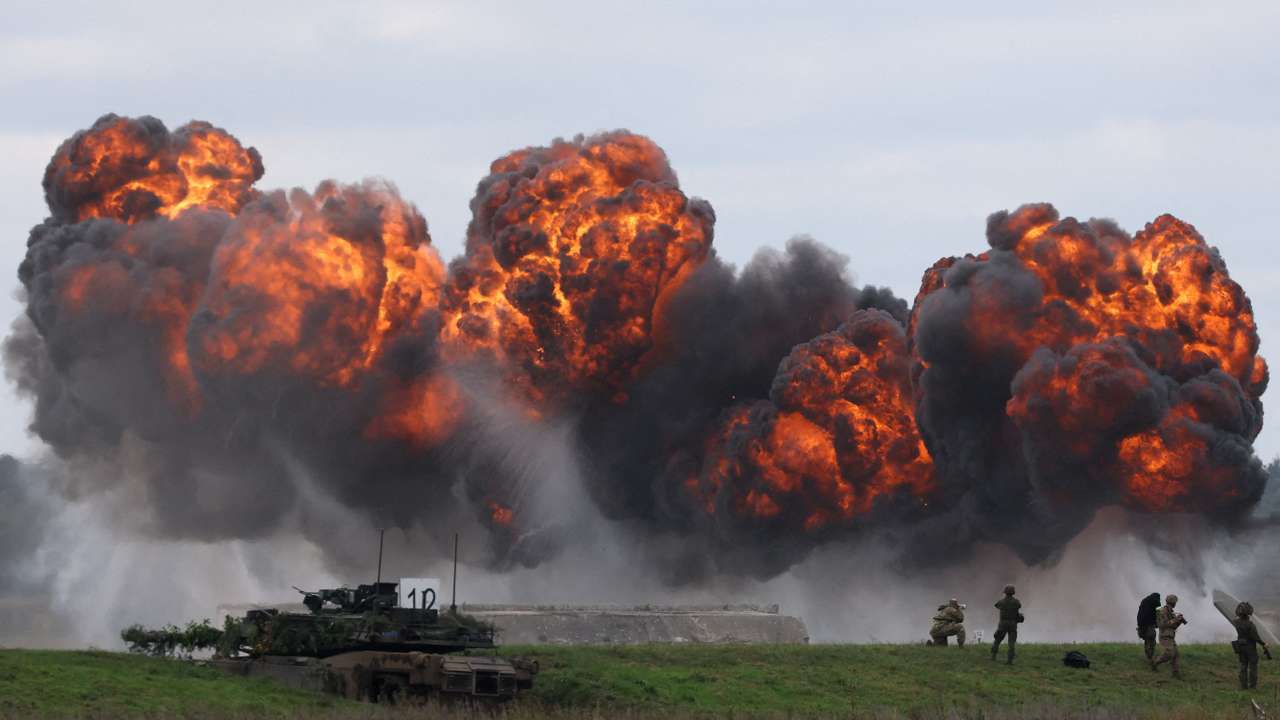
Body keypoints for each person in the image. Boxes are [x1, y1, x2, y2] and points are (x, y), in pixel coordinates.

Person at [1233, 601, 1271, 690]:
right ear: (1249, 613)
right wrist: (1264, 644)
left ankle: (1243, 686)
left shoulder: (1236, 622)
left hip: (1240, 646)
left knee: (1243, 667)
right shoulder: (1250, 624)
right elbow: (1255, 637)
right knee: (1253, 667)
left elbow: (1236, 619)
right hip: (1250, 648)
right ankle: (1253, 687)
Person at [1151, 594, 1188, 678]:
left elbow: (1173, 626)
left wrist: (1179, 621)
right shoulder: (1162, 611)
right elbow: (1162, 624)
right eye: (1175, 602)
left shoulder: (1171, 612)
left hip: (1170, 636)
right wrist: (1175, 620)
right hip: (1164, 636)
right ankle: (1155, 662)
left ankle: (1175, 674)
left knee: (1176, 655)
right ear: (1173, 602)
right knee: (1169, 653)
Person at [991, 584, 1022, 664]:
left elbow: (996, 605)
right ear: (1013, 592)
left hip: (1003, 623)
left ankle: (993, 656)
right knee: (1011, 643)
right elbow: (1019, 606)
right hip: (1012, 624)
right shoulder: (1016, 602)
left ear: (1005, 592)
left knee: (997, 640)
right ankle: (1009, 660)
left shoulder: (1001, 602)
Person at [1136, 592, 1161, 661]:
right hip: (1149, 625)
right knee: (1151, 641)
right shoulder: (1156, 602)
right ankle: (1150, 657)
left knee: (1147, 640)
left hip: (1141, 625)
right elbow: (1159, 613)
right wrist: (1157, 623)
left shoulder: (1144, 601)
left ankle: (1148, 655)